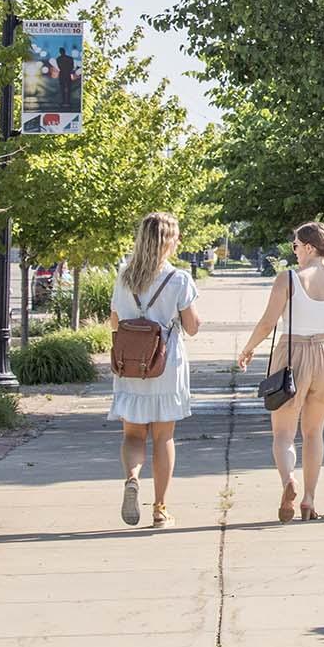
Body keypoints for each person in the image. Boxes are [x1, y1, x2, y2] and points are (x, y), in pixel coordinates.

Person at [235, 221, 324, 521]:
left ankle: (288, 482)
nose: (294, 251)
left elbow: (268, 323)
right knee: (314, 433)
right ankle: (308, 499)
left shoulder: (288, 279)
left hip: (291, 355)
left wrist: (248, 348)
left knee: (283, 434)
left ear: (309, 247)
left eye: (295, 245)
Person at [109, 212, 201, 528]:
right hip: (165, 364)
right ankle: (160, 508)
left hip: (130, 364)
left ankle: (132, 479)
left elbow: (115, 321)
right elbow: (191, 327)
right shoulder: (179, 279)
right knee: (163, 437)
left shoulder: (124, 275)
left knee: (134, 434)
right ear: (168, 241)